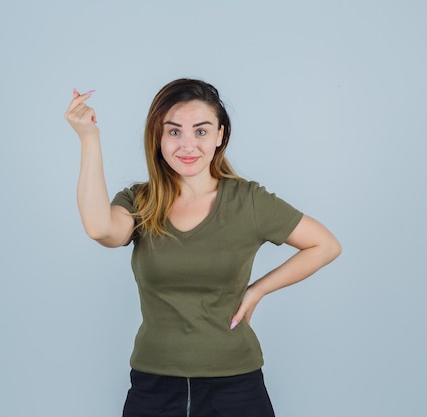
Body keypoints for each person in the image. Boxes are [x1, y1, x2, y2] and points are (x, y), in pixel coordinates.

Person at [64, 78, 341, 417]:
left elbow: (325, 245)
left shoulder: (249, 201)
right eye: (174, 131)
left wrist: (256, 291)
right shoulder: (140, 201)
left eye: (201, 131)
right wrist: (88, 138)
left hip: (236, 387)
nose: (187, 145)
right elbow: (99, 228)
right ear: (158, 137)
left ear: (220, 135)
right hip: (154, 387)